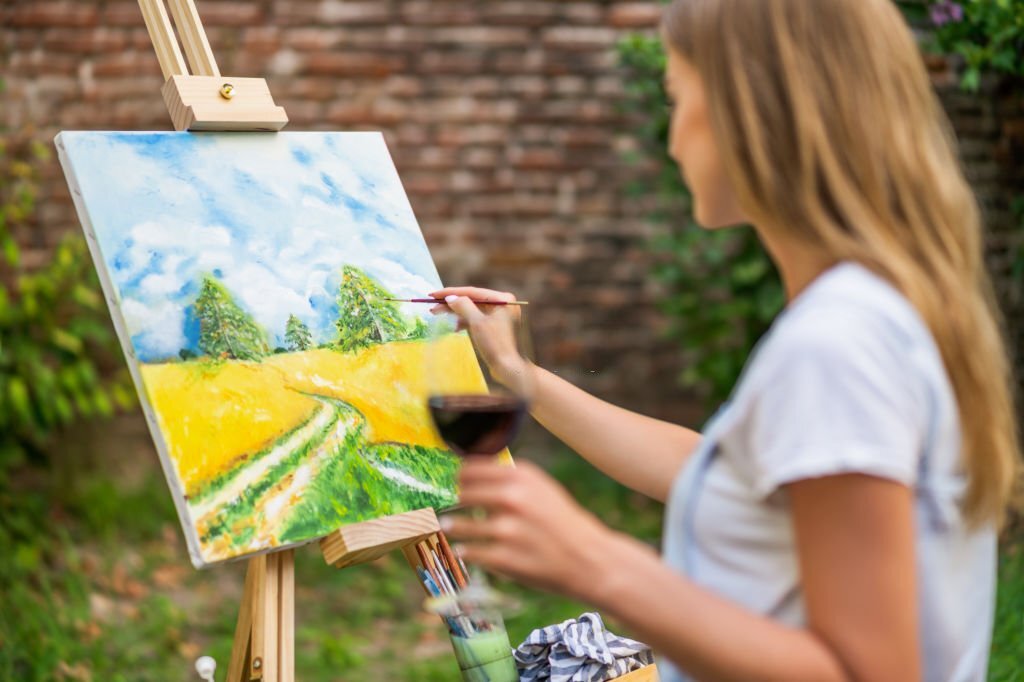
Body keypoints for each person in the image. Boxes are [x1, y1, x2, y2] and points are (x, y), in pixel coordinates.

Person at [433, 0, 1021, 679]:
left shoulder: (839, 346)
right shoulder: (877, 309)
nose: (674, 138)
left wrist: (595, 561)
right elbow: (719, 477)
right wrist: (516, 372)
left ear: (749, 115)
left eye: (677, 98)